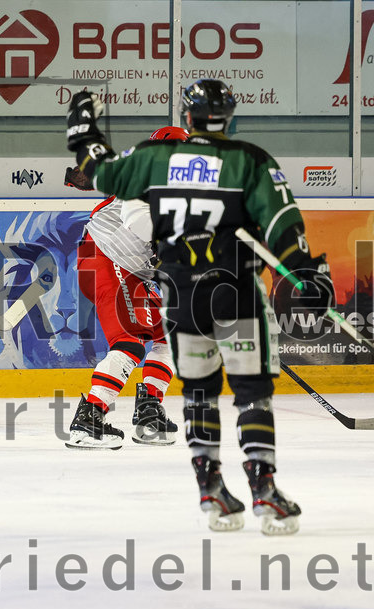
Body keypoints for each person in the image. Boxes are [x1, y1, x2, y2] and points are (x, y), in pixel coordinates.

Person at [65, 80, 334, 535]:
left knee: (184, 371)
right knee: (147, 346)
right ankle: (91, 414)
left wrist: (82, 131)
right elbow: (283, 221)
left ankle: (167, 433)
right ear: (227, 118)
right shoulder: (247, 160)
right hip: (136, 265)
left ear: (189, 120)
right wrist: (304, 271)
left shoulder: (150, 162)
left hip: (178, 283)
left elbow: (96, 166)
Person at [64, 126, 188, 450]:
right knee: (130, 342)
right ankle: (88, 419)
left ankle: (149, 412)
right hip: (105, 255)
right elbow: (140, 222)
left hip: (132, 269)